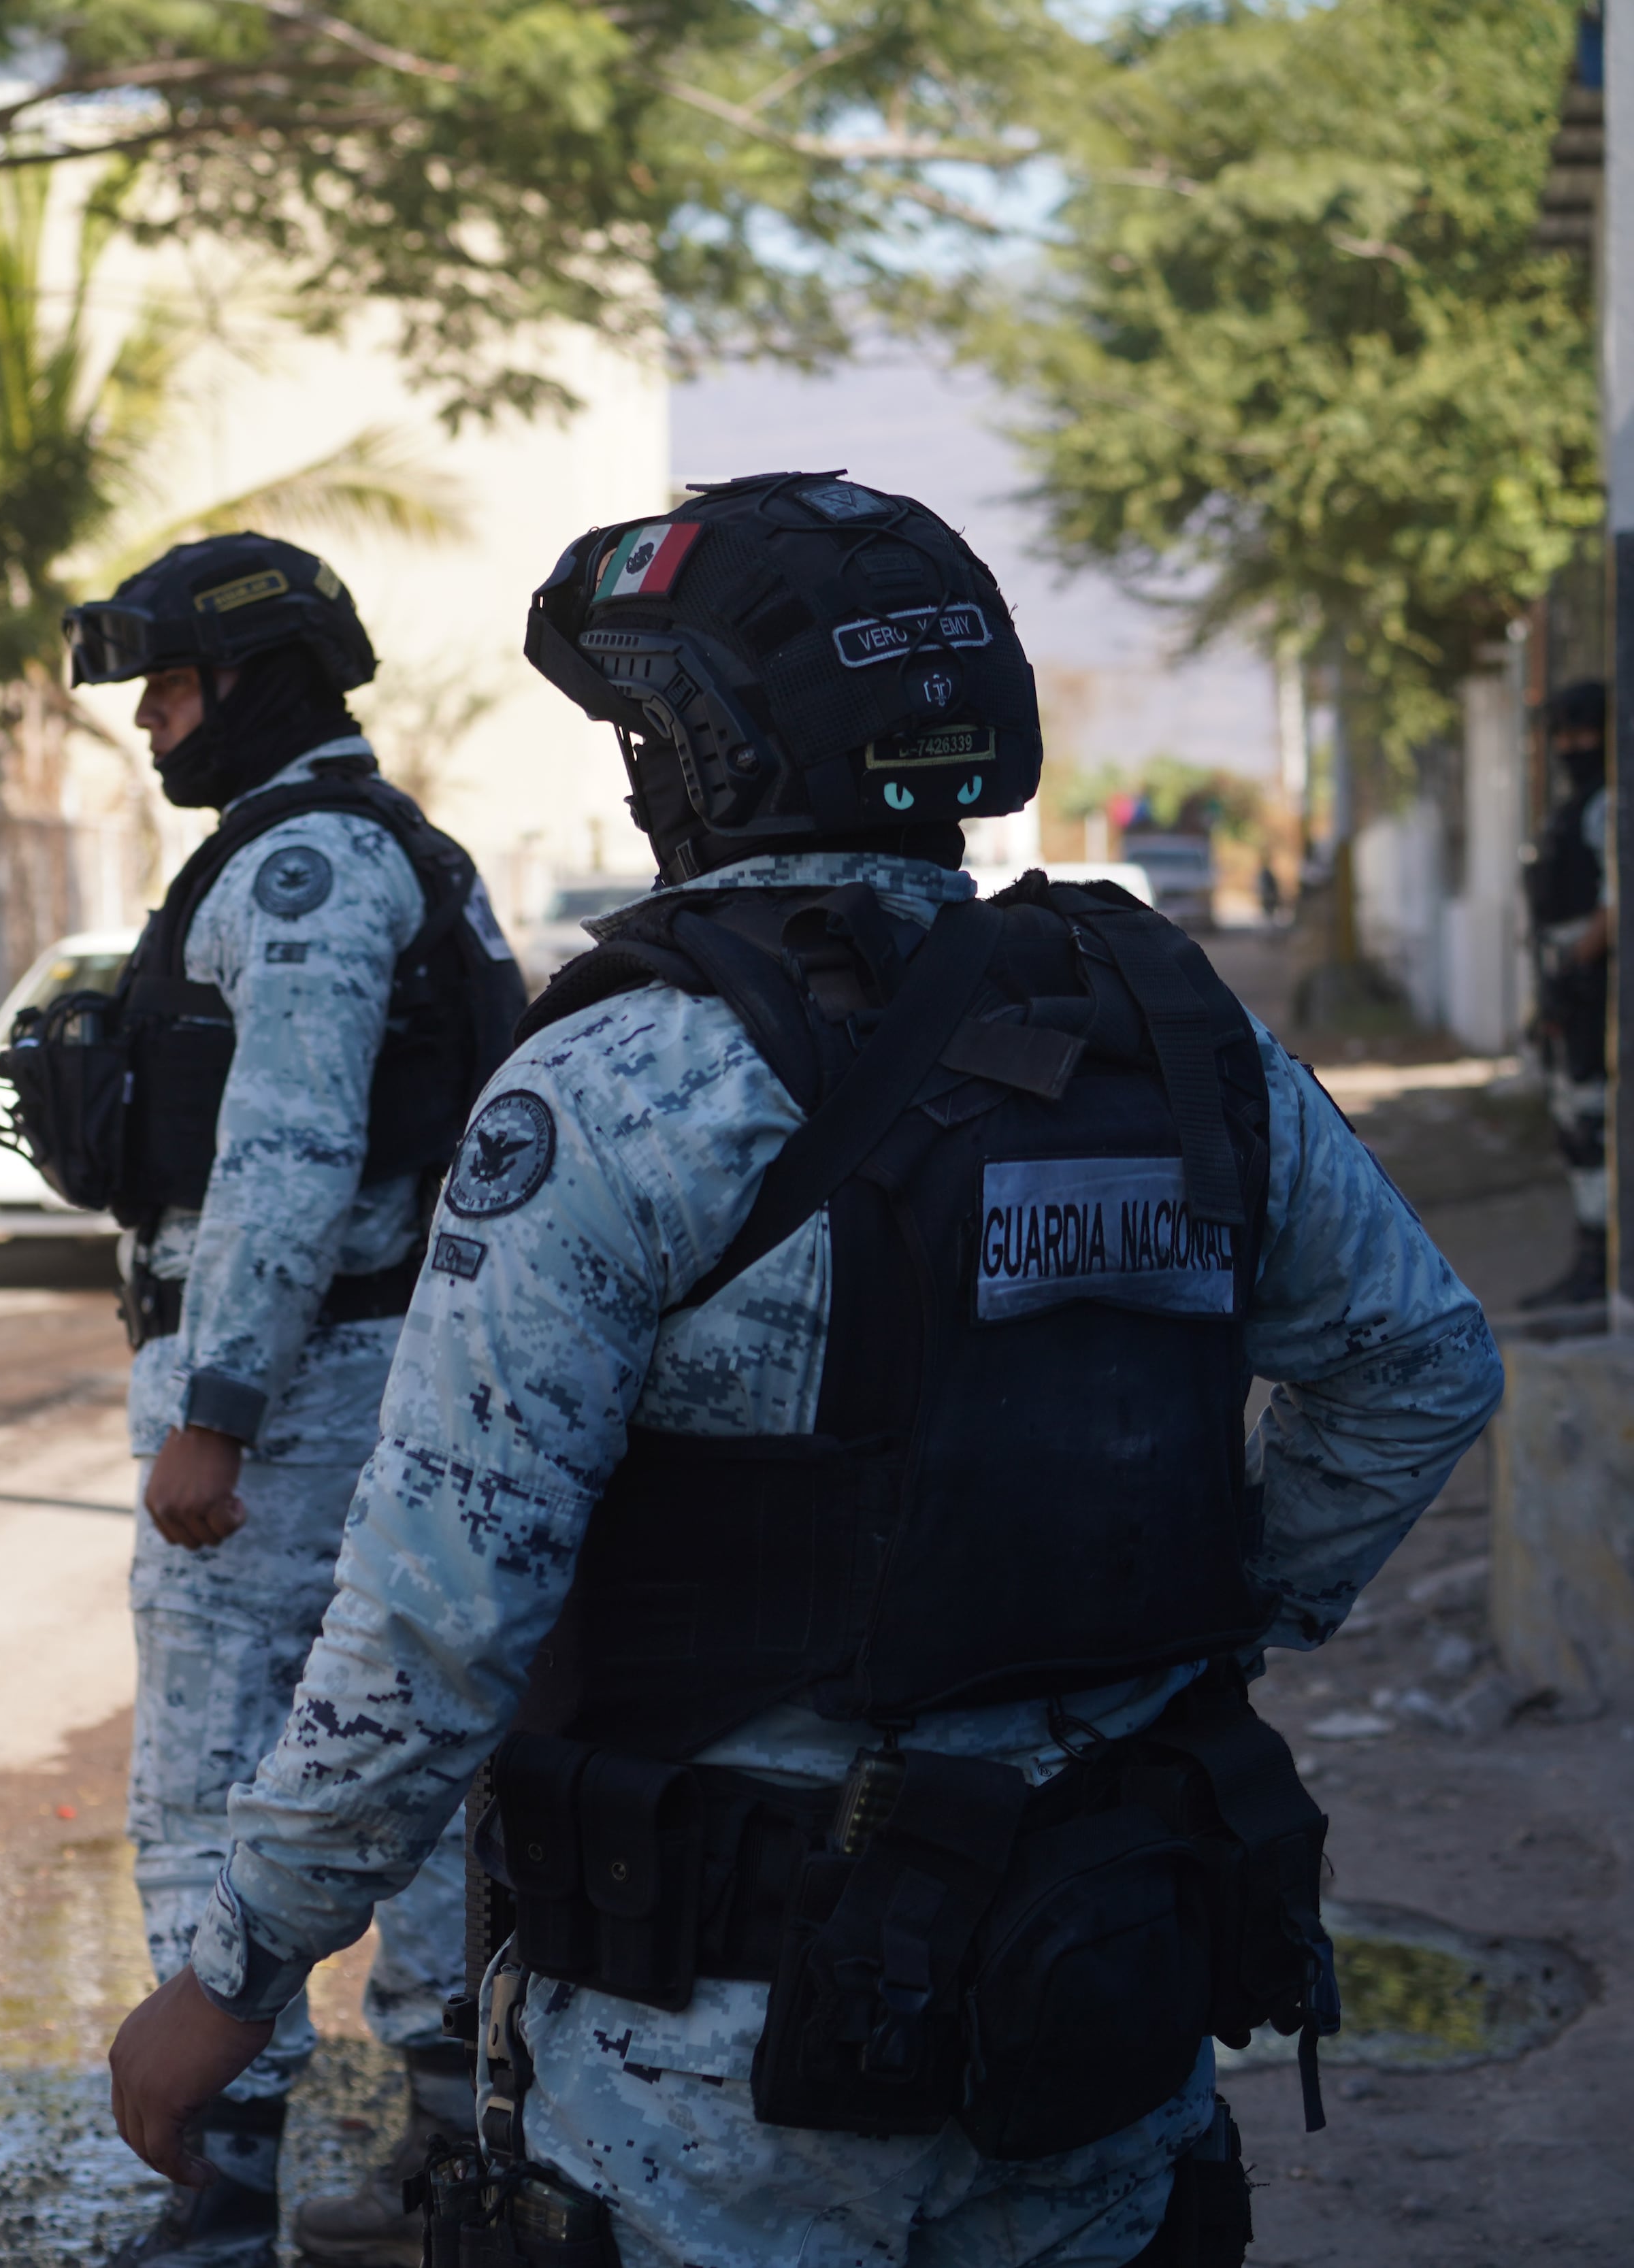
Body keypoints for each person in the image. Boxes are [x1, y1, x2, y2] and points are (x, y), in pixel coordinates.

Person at [103, 474, 1506, 2268]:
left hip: (732, 2063)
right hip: (1101, 1977)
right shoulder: (1168, 1026)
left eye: (639, 730)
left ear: (709, 753)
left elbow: (442, 1611)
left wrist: (238, 1964)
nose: (631, 772)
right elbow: (1414, 1367)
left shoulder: (618, 1083)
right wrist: (1193, 1622)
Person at [53, 532, 523, 2267]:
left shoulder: (309, 867)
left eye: (170, 688)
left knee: (207, 1772)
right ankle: (457, 2161)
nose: (154, 724)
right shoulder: (390, 851)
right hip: (390, 1380)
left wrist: (220, 1409)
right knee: (402, 1759)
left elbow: (292, 1154)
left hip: (306, 1396)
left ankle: (222, 2187)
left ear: (254, 682)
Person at [1524, 680, 1612, 1310]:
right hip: (1567, 981)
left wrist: (1576, 963)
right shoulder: (1576, 805)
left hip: (1593, 982)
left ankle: (1603, 1266)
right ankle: (1590, 1258)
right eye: (1564, 734)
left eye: (1583, 733)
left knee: (1592, 1123)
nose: (1570, 746)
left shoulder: (1608, 805)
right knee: (1572, 1124)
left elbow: (1615, 901)